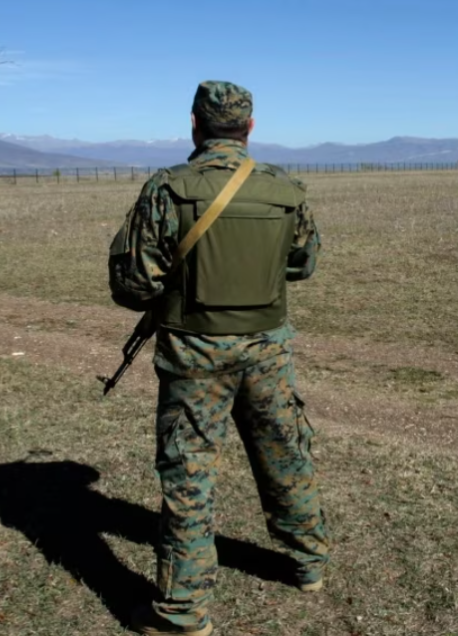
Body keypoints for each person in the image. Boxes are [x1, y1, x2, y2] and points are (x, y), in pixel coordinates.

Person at [108, 80, 329, 636]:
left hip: (193, 353)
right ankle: (307, 561)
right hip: (267, 347)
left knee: (189, 470)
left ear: (194, 124)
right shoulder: (284, 188)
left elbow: (134, 284)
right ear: (250, 127)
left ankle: (183, 611)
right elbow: (303, 264)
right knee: (285, 450)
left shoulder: (170, 188)